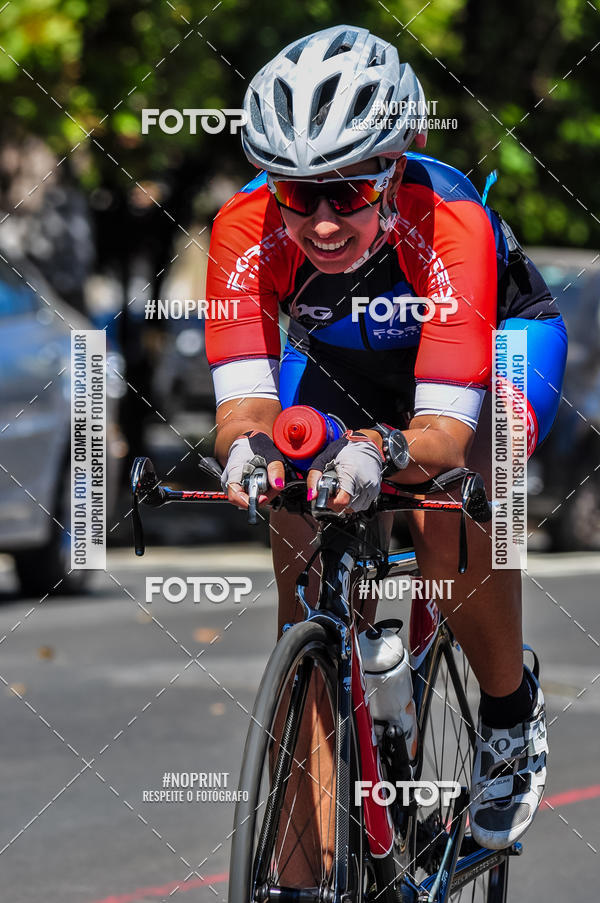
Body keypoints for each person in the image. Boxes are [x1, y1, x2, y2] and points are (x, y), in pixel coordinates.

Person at [205, 24, 567, 859]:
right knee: (299, 531)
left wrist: (375, 452)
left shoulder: (450, 222)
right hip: (344, 365)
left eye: (348, 189)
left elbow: (440, 433)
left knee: (449, 502)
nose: (323, 220)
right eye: (298, 193)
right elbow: (245, 412)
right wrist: (248, 456)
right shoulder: (242, 230)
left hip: (490, 353)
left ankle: (510, 714)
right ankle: (309, 862)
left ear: (398, 160)